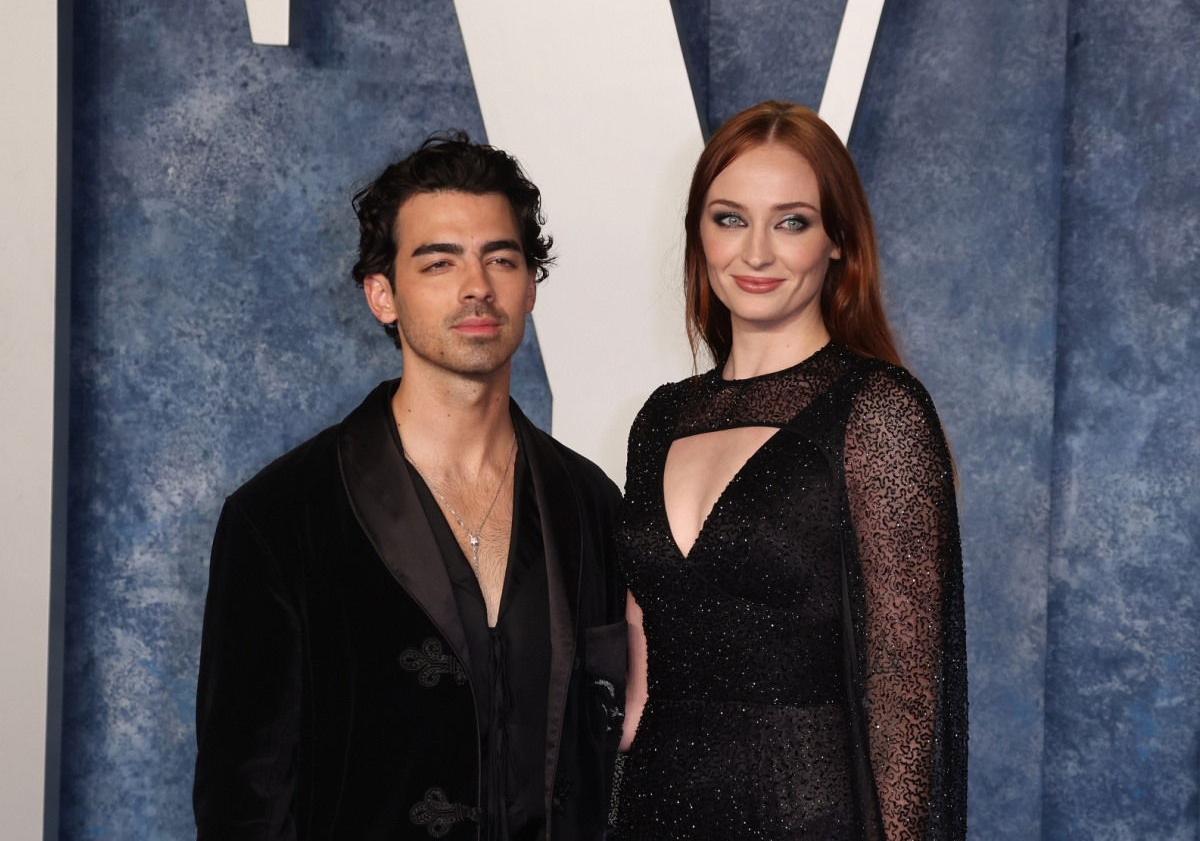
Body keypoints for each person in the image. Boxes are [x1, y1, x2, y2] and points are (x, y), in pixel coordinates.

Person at [194, 133, 628, 841]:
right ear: (382, 295)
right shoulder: (278, 518)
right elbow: (243, 804)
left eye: (501, 258)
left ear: (530, 288)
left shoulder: (594, 506)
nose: (476, 286)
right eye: (439, 262)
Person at [614, 101, 968, 840]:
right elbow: (640, 663)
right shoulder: (660, 418)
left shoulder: (878, 409)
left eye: (792, 222)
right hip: (654, 811)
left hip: (811, 820)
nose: (756, 254)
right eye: (730, 219)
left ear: (838, 241)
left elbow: (906, 693)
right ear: (699, 234)